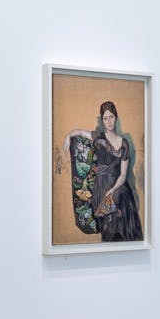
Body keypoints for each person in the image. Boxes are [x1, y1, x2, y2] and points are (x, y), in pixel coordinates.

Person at [63, 100, 143, 241]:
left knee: (120, 196)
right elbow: (80, 132)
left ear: (116, 118)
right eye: (105, 118)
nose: (108, 121)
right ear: (102, 120)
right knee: (108, 222)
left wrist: (114, 189)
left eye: (111, 117)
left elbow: (123, 174)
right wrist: (69, 136)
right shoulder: (99, 137)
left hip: (118, 185)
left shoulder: (124, 143)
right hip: (100, 187)